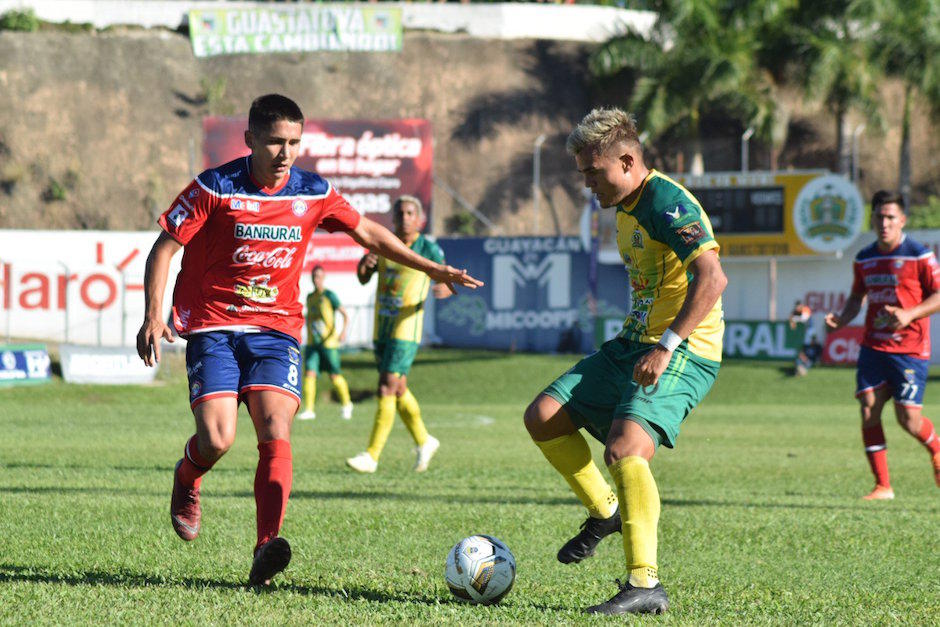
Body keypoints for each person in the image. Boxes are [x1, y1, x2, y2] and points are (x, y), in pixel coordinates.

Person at [136, 94, 481, 587]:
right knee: (217, 440)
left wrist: (432, 267)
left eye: (295, 142)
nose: (286, 152)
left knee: (276, 429)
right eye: (275, 141)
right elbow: (165, 247)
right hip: (214, 328)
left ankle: (264, 548)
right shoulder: (215, 187)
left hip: (276, 333)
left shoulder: (314, 191)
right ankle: (187, 478)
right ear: (250, 138)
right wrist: (154, 314)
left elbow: (368, 234)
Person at [522, 108, 726, 616]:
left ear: (628, 160)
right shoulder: (625, 204)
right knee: (544, 416)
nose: (587, 183)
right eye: (584, 173)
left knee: (624, 449)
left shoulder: (667, 202)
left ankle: (644, 584)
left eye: (594, 172)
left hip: (684, 347)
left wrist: (668, 345)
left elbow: (713, 278)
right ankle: (605, 512)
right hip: (633, 342)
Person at [826, 190, 940, 500]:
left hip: (911, 349)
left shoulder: (919, 255)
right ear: (872, 219)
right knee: (868, 411)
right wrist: (842, 318)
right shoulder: (864, 258)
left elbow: (938, 295)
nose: (884, 222)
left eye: (891, 217)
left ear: (902, 220)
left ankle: (937, 450)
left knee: (909, 421)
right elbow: (856, 297)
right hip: (874, 347)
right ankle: (883, 486)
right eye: (879, 216)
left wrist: (909, 314)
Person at [346, 195, 451, 474]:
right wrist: (364, 266)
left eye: (409, 213)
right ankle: (424, 441)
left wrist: (445, 287)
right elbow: (363, 277)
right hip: (382, 327)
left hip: (407, 328)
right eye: (400, 213)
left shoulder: (428, 248)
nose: (404, 218)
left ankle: (372, 455)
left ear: (419, 219)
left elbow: (445, 278)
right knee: (399, 388)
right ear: (393, 218)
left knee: (386, 386)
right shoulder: (384, 243)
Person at [297, 265, 353, 421]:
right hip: (313, 344)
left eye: (319, 276)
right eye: (314, 276)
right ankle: (309, 409)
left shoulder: (329, 296)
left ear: (324, 278)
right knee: (309, 374)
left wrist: (342, 332)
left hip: (329, 344)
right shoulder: (310, 297)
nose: (316, 279)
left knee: (334, 375)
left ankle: (347, 404)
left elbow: (345, 315)